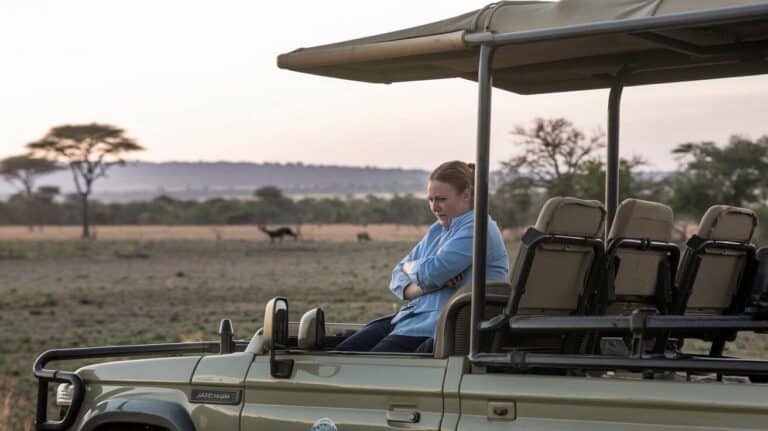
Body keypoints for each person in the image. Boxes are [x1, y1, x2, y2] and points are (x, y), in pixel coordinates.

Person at [336, 161, 510, 353]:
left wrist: (414, 269)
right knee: (343, 351)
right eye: (430, 200)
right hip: (410, 318)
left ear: (466, 194)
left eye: (441, 199)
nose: (435, 207)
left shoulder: (478, 227)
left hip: (439, 326)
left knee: (368, 364)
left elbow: (432, 272)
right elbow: (397, 275)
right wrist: (421, 286)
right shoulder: (438, 229)